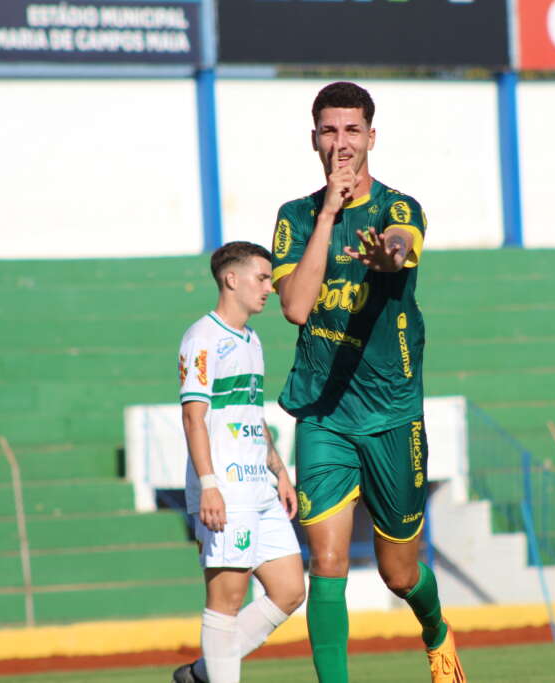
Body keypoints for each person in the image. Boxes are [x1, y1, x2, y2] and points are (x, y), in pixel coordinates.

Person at [270, 81, 465, 683]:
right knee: (326, 562)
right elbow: (296, 307)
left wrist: (388, 255)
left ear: (371, 137)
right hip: (323, 412)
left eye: (352, 129)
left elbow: (401, 247)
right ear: (314, 140)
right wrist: (329, 213)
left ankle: (436, 631)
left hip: (391, 413)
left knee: (398, 574)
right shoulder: (296, 217)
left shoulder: (398, 209)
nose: (341, 142)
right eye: (329, 130)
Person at [173, 242, 305, 683]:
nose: (269, 287)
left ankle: (201, 673)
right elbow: (194, 417)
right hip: (226, 489)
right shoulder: (202, 338)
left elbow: (251, 413)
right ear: (231, 279)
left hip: (260, 486)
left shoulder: (251, 338)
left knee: (290, 590)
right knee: (226, 603)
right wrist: (209, 484)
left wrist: (279, 471)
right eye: (262, 278)